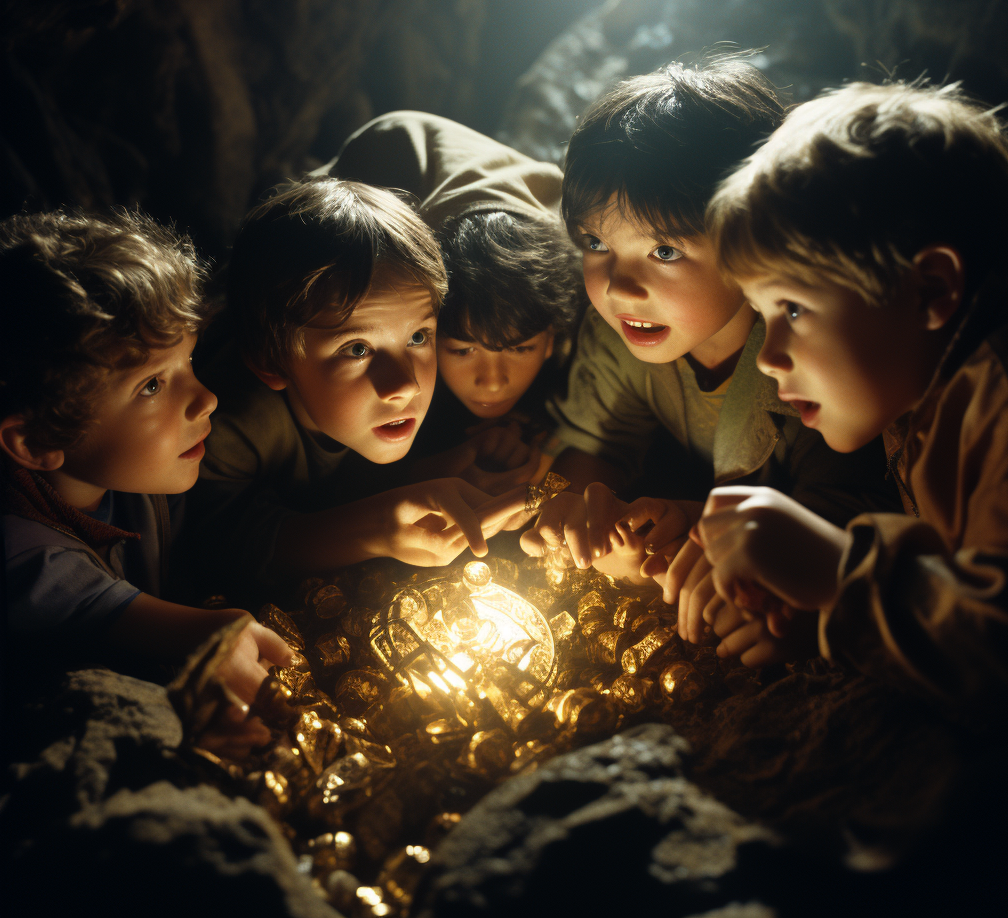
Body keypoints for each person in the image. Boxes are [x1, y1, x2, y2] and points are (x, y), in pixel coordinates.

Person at [521, 54, 900, 663]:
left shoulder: (802, 363)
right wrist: (579, 504)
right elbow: (597, 442)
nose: (619, 285)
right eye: (595, 243)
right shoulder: (624, 328)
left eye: (665, 250)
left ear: (751, 240)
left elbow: (847, 513)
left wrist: (703, 531)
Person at [694, 79, 1008, 704]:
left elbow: (1005, 649)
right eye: (763, 316)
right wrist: (830, 625)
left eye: (792, 309)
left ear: (929, 290)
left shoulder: (1007, 395)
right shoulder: (921, 403)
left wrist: (841, 575)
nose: (766, 359)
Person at [0, 210, 292, 734]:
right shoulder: (23, 553)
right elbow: (108, 611)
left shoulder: (143, 478)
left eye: (189, 362)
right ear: (38, 440)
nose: (206, 397)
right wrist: (214, 634)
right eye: (153, 386)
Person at [179, 177, 525, 609]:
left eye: (418, 337)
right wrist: (378, 526)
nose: (405, 385)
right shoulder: (227, 422)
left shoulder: (419, 389)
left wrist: (434, 471)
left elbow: (353, 475)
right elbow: (218, 548)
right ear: (270, 363)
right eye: (357, 348)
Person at [322, 111, 582, 490]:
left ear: (552, 340)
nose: (492, 383)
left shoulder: (582, 311)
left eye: (521, 348)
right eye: (462, 350)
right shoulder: (374, 329)